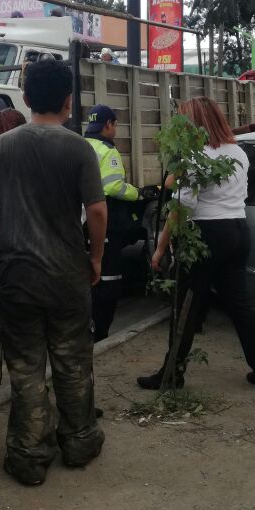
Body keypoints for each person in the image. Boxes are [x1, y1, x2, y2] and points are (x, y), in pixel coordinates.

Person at [0, 59, 107, 487]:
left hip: (18, 275)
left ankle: (29, 455)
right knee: (72, 360)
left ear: (26, 98)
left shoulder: (2, 147)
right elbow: (98, 210)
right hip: (68, 272)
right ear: (69, 101)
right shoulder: (79, 148)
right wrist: (97, 257)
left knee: (27, 366)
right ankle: (80, 440)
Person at [140, 96, 255, 392]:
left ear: (195, 124)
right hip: (239, 231)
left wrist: (161, 248)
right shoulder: (238, 152)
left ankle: (172, 374)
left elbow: (181, 208)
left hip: (207, 234)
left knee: (186, 306)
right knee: (242, 305)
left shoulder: (194, 157)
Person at [84, 104, 153, 342]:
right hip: (105, 220)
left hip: (80, 219)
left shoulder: (81, 144)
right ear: (108, 125)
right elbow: (113, 187)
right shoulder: (107, 150)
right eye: (115, 125)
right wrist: (139, 194)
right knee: (108, 278)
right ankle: (100, 333)